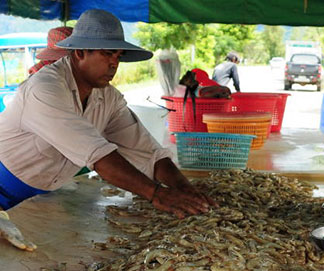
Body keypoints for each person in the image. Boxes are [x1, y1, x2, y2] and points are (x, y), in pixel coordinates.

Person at [0, 9, 216, 252]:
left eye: (118, 55)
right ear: (80, 53)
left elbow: (147, 150)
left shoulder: (107, 97)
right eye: (107, 54)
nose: (115, 63)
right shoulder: (45, 89)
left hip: (41, 194)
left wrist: (183, 188)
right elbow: (98, 155)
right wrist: (157, 195)